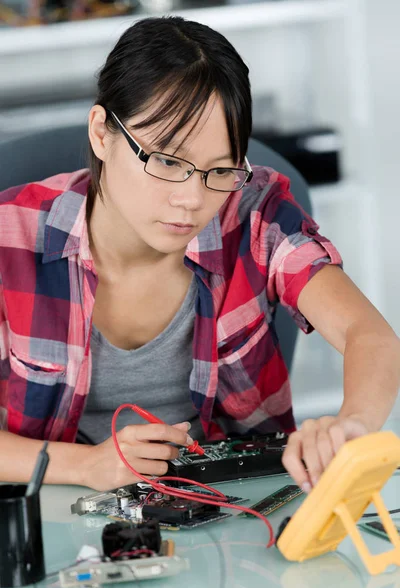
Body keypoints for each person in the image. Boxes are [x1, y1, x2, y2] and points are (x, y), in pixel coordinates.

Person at [0, 17, 399, 494]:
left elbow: (370, 336)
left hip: (238, 507)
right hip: (60, 515)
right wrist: (84, 466)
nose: (192, 200)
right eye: (167, 161)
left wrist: (351, 426)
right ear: (102, 134)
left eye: (220, 169)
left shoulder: (255, 213)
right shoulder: (11, 237)